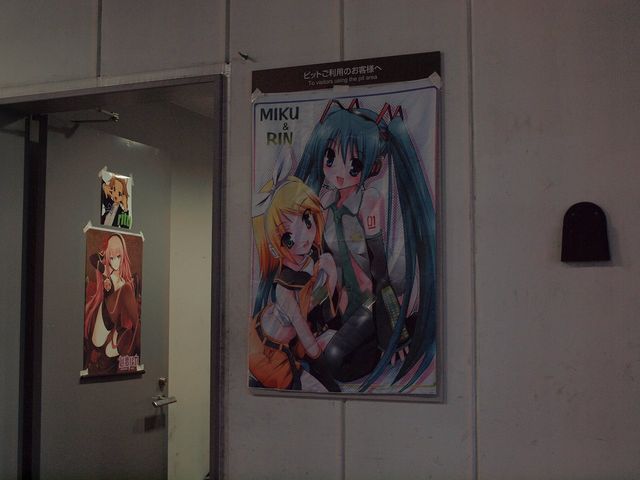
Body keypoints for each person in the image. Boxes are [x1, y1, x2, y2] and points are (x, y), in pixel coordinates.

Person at [295, 98, 437, 391]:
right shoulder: (325, 203)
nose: (338, 171)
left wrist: (392, 334)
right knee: (307, 348)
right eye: (330, 157)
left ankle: (401, 330)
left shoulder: (369, 202)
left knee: (334, 358)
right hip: (341, 302)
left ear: (372, 166)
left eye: (354, 164)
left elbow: (380, 272)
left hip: (373, 303)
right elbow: (323, 262)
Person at [250, 175, 340, 392]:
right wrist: (328, 376)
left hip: (295, 343)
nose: (303, 239)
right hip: (270, 354)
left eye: (307, 220)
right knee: (320, 391)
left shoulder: (312, 260)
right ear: (275, 247)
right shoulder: (284, 288)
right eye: (288, 238)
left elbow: (316, 303)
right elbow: (305, 336)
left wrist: (331, 277)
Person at [84, 233, 140, 375]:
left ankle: (133, 330)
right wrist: (105, 252)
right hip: (104, 320)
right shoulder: (107, 274)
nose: (115, 261)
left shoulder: (123, 281)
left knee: (127, 287)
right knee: (126, 288)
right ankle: (136, 327)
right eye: (112, 257)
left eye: (119, 256)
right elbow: (92, 259)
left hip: (115, 327)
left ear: (123, 257)